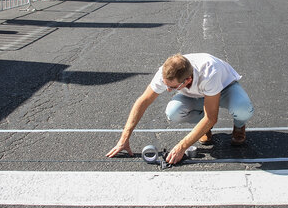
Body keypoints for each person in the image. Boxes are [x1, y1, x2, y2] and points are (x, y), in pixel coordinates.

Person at [106, 53, 254, 164]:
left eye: (172, 87)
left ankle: (239, 126)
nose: (168, 90)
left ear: (188, 80)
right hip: (196, 94)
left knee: (243, 109)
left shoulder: (210, 72)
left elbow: (211, 117)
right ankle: (204, 129)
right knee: (173, 112)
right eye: (166, 85)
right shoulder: (166, 73)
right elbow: (143, 101)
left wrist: (181, 147)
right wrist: (124, 139)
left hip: (223, 88)